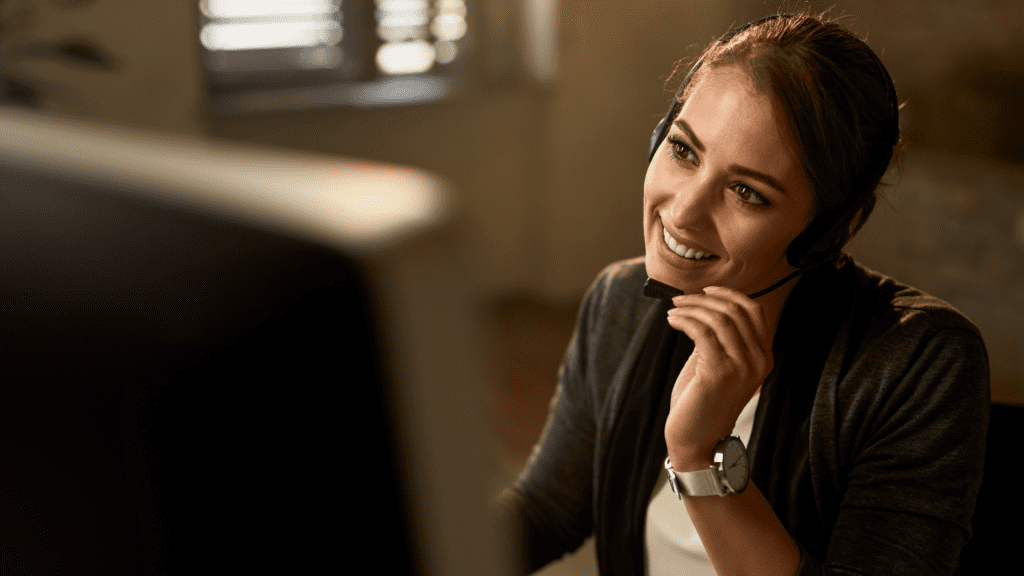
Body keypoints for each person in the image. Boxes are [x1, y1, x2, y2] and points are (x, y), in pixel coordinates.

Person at [499, 11, 990, 576]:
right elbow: (548, 509)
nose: (682, 213)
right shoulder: (621, 302)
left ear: (830, 230)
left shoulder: (920, 362)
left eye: (746, 192)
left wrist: (700, 458)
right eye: (683, 151)